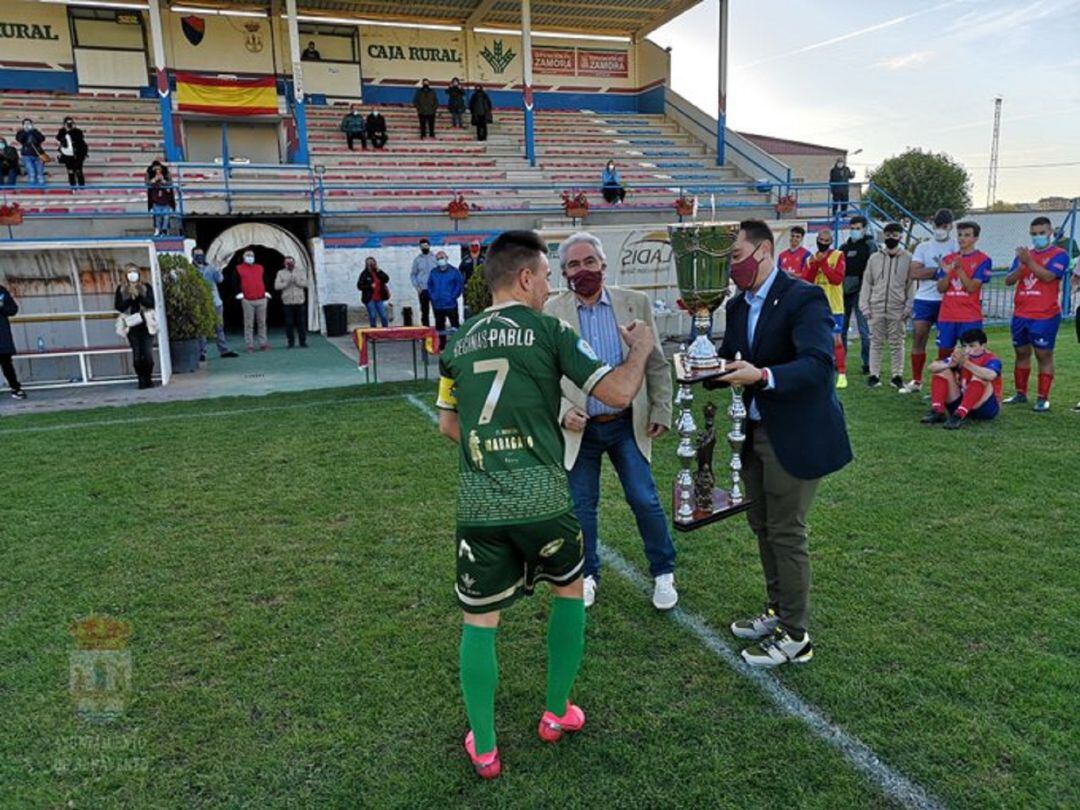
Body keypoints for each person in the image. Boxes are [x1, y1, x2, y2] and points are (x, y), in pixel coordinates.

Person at [434, 229, 653, 779]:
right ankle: (556, 714)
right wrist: (642, 349)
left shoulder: (457, 340)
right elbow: (620, 395)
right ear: (527, 277)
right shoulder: (550, 330)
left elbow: (448, 424)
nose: (550, 285)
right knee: (568, 593)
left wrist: (495, 448)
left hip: (481, 506)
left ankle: (484, 747)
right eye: (547, 276)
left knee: (478, 622)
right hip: (544, 500)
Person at [703, 219, 852, 668]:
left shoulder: (803, 297)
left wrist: (764, 376)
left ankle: (796, 635)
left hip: (794, 433)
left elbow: (819, 367)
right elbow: (730, 359)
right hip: (752, 431)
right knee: (763, 526)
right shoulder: (737, 305)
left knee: (787, 532)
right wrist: (701, 360)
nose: (731, 268)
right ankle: (777, 611)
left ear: (764, 251)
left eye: (735, 257)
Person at [544, 232, 676, 611]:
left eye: (589, 261)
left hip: (625, 424)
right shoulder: (552, 313)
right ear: (563, 271)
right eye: (573, 264)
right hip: (579, 430)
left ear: (604, 264)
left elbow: (655, 362)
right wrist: (562, 412)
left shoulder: (635, 304)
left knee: (644, 498)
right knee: (582, 506)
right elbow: (543, 377)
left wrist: (661, 410)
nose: (582, 269)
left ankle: (663, 572)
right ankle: (587, 575)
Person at [1002, 216, 1070, 412]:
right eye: (1034, 234)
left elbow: (1048, 277)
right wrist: (1023, 265)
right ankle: (1020, 393)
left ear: (1050, 233)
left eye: (1041, 233)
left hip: (1045, 314)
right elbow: (1008, 280)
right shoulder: (1024, 256)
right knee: (1021, 353)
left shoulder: (1060, 254)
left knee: (1043, 355)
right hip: (1021, 313)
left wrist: (1029, 262)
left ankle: (1043, 397)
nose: (1037, 237)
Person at [903, 209, 957, 393]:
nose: (940, 229)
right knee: (919, 337)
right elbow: (914, 273)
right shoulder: (923, 247)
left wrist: (933, 272)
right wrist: (939, 272)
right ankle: (916, 381)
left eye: (944, 226)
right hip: (925, 299)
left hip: (948, 299)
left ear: (950, 226)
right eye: (937, 225)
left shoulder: (956, 247)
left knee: (946, 342)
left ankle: (945, 380)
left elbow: (958, 272)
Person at [859, 222, 912, 389]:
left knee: (897, 343)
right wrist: (865, 306)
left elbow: (911, 285)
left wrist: (908, 307)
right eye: (888, 235)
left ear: (900, 237)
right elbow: (867, 282)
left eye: (895, 235)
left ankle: (897, 375)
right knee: (875, 341)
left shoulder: (908, 258)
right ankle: (874, 375)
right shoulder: (874, 258)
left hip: (897, 307)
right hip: (877, 306)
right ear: (884, 236)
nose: (891, 238)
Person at [796, 227, 847, 389]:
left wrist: (823, 263)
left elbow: (836, 279)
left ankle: (842, 373)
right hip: (816, 306)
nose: (823, 244)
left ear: (831, 242)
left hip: (834, 304)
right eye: (820, 241)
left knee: (836, 340)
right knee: (815, 339)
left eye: (826, 241)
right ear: (816, 240)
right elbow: (807, 280)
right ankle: (818, 370)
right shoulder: (810, 259)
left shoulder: (838, 256)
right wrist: (815, 264)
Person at [921, 328, 1001, 429]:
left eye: (972, 346)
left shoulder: (992, 359)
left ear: (983, 346)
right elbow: (931, 367)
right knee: (942, 371)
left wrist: (966, 363)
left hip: (983, 407)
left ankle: (959, 414)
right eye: (964, 346)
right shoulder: (961, 356)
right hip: (960, 401)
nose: (967, 350)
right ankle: (938, 410)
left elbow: (991, 375)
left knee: (981, 377)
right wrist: (949, 364)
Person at [935, 221, 991, 354]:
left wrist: (959, 270)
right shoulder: (948, 258)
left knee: (971, 354)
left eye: (967, 235)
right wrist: (949, 273)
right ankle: (948, 375)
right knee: (944, 354)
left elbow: (972, 288)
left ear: (975, 238)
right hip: (947, 315)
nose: (962, 238)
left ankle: (966, 376)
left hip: (969, 317)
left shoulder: (983, 260)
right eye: (960, 235)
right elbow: (941, 288)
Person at [840, 215, 876, 375]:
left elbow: (874, 269)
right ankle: (840, 362)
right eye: (852, 228)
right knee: (842, 329)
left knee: (864, 330)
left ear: (864, 229)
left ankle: (868, 363)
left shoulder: (869, 245)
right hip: (844, 292)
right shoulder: (843, 247)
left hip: (862, 292)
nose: (855, 231)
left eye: (858, 228)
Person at [115, 264, 156, 389]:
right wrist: (129, 297)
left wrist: (139, 295)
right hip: (132, 326)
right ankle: (141, 380)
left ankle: (148, 378)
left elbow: (151, 303)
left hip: (146, 324)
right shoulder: (121, 289)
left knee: (148, 355)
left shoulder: (146, 287)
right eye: (130, 273)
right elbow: (119, 306)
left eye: (135, 272)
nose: (132, 275)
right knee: (137, 355)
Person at [192, 248, 238, 361]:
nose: (200, 257)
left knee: (219, 327)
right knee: (202, 329)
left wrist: (218, 271)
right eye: (197, 255)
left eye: (201, 254)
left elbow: (220, 280)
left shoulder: (211, 268)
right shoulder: (191, 269)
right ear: (193, 256)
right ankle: (202, 353)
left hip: (215, 302)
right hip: (200, 303)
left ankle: (224, 350)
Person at [235, 249, 270, 352]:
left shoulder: (260, 268)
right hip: (247, 300)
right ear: (243, 257)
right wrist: (239, 294)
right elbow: (235, 282)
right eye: (248, 255)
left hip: (261, 299)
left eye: (252, 255)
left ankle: (263, 343)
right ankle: (249, 345)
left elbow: (266, 279)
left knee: (262, 322)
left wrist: (266, 292)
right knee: (249, 324)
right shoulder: (238, 269)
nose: (250, 257)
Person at [428, 250, 464, 350]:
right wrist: (433, 296)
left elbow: (459, 285)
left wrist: (453, 296)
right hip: (437, 305)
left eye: (442, 258)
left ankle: (456, 346)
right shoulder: (433, 272)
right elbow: (430, 285)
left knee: (455, 326)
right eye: (438, 259)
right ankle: (442, 346)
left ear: (447, 258)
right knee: (440, 327)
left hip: (451, 305)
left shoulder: (454, 271)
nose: (441, 260)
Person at [275, 256, 309, 349]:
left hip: (299, 301)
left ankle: (303, 341)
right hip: (287, 302)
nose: (289, 264)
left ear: (294, 263)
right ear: (284, 263)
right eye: (287, 263)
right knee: (289, 323)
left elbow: (306, 284)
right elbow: (277, 286)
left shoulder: (301, 271)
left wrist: (297, 281)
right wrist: (286, 283)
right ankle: (291, 342)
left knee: (301, 323)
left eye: (291, 262)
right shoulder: (280, 273)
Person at [0, 283, 26, 399]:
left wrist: (2, 306)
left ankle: (15, 388)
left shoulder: (1, 291)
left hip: (2, 335)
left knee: (6, 364)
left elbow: (13, 309)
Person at [410, 237, 437, 327]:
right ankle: (426, 332)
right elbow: (413, 274)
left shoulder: (435, 258)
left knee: (437, 310)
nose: (424, 248)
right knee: (424, 312)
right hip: (423, 290)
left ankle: (438, 331)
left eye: (426, 246)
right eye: (422, 246)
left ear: (429, 246)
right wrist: (417, 287)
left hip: (434, 289)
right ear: (420, 247)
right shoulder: (417, 260)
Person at [357, 256, 390, 328]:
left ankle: (385, 331)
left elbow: (386, 279)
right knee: (373, 316)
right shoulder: (364, 274)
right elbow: (359, 286)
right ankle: (373, 333)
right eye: (369, 263)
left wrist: (379, 271)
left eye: (372, 262)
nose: (371, 264)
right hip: (369, 298)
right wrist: (370, 286)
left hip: (379, 298)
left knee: (384, 316)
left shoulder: (378, 272)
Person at [56, 116, 88, 188]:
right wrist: (65, 130)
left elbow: (79, 138)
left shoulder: (78, 131)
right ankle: (72, 186)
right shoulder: (62, 131)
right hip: (67, 154)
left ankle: (81, 185)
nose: (69, 124)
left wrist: (72, 130)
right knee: (70, 170)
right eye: (67, 123)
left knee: (78, 170)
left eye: (71, 123)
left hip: (78, 153)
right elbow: (58, 138)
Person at [146, 160, 175, 237]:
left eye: (159, 169)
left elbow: (170, 184)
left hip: (166, 200)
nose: (157, 171)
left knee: (166, 216)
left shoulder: (166, 173)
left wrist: (164, 181)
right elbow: (147, 183)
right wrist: (154, 180)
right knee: (157, 216)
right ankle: (158, 229)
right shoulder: (149, 172)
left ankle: (165, 230)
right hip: (156, 200)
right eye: (156, 169)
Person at [15, 118, 46, 186]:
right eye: (25, 124)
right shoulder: (20, 132)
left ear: (32, 124)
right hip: (26, 155)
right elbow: (20, 139)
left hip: (38, 155)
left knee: (40, 173)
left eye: (29, 123)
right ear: (23, 125)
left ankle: (42, 190)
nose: (27, 125)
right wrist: (26, 131)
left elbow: (42, 139)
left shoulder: (35, 131)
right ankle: (32, 190)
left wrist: (32, 131)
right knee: (31, 173)